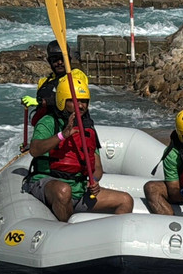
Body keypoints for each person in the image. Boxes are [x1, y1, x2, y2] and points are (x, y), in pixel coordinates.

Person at [25, 69, 134, 223]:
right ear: (63, 100)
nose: (81, 106)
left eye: (84, 101)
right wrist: (63, 135)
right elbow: (34, 150)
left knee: (125, 200)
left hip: (79, 187)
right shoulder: (49, 122)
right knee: (63, 191)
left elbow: (97, 168)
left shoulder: (87, 128)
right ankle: (68, 234)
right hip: (47, 181)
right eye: (75, 101)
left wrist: (93, 180)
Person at [21, 40, 66, 121]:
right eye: (55, 59)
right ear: (50, 62)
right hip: (46, 123)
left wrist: (42, 101)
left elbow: (71, 98)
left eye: (63, 59)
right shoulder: (44, 82)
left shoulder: (76, 75)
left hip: (67, 124)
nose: (60, 62)